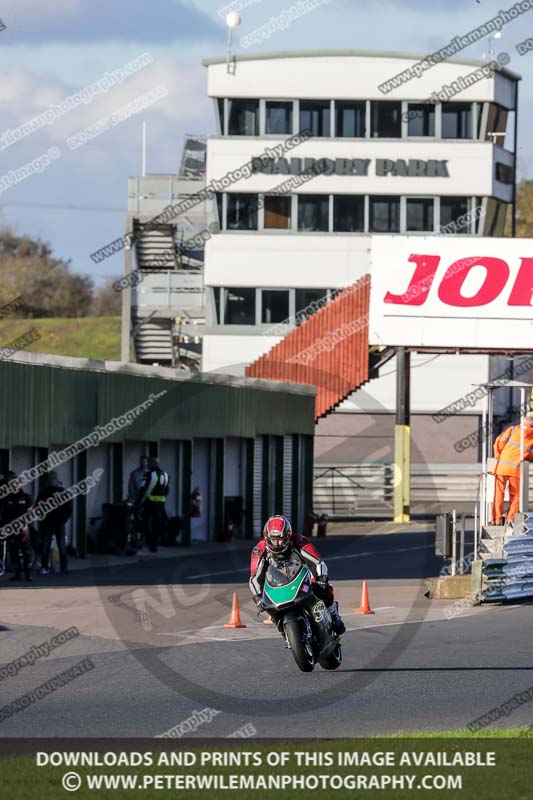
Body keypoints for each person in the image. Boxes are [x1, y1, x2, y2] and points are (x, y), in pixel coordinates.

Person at [249, 515, 345, 634]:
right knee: (269, 607)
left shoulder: (299, 541)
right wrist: (258, 598)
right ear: (267, 538)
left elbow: (317, 562)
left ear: (288, 537)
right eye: (273, 539)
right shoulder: (259, 550)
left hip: (303, 580)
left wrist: (321, 578)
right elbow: (254, 578)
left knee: (323, 589)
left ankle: (333, 615)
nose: (277, 544)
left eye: (281, 539)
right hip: (278, 586)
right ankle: (285, 632)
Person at [492, 411, 533, 529]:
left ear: (524, 420)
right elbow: (530, 454)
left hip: (502, 467)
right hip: (516, 469)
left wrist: (498, 456)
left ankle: (496, 520)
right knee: (515, 496)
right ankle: (511, 519)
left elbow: (498, 443)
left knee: (498, 495)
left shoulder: (513, 429)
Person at [36, 471, 73, 574]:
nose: (52, 481)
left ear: (57, 480)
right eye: (50, 479)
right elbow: (37, 507)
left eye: (53, 479)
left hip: (59, 524)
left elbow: (69, 509)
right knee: (45, 546)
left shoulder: (63, 492)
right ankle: (44, 567)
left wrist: (63, 520)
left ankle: (64, 567)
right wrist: (42, 519)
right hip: (47, 523)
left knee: (61, 546)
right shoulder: (44, 492)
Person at [2, 471, 33, 582]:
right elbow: (4, 515)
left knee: (26, 552)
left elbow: (30, 514)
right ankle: (18, 574)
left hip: (23, 529)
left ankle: (28, 574)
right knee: (14, 552)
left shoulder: (27, 497)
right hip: (11, 529)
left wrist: (25, 525)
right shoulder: (7, 498)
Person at [139, 457, 169, 552]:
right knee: (157, 524)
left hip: (150, 502)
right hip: (161, 504)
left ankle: (148, 540)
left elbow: (143, 489)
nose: (147, 465)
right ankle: (154, 545)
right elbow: (167, 490)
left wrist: (139, 502)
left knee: (144, 520)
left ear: (152, 464)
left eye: (149, 463)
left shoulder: (149, 475)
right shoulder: (165, 474)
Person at [128, 455, 149, 546]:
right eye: (142, 461)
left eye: (145, 461)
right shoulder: (134, 473)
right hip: (137, 502)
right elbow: (131, 488)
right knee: (137, 521)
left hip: (148, 502)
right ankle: (138, 539)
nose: (143, 463)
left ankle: (146, 539)